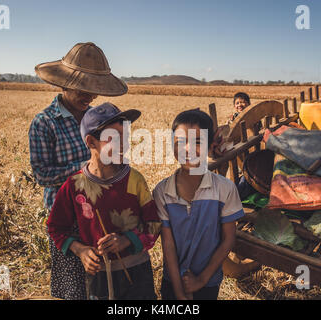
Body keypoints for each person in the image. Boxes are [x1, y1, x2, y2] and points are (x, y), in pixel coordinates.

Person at [28, 42, 128, 299]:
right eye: (82, 88)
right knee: (73, 288)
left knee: (103, 286)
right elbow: (42, 175)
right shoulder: (44, 122)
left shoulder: (96, 119)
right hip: (66, 219)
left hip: (99, 214)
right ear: (63, 83)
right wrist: (88, 168)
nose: (89, 96)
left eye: (93, 89)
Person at [47, 102, 162, 300]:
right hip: (98, 277)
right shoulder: (74, 186)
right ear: (91, 142)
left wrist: (127, 240)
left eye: (125, 137)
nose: (124, 145)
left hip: (137, 273)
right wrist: (81, 250)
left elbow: (154, 225)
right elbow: (55, 227)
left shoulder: (135, 180)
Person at [153, 109, 245, 300]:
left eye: (197, 142)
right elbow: (167, 245)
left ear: (210, 147)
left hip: (208, 281)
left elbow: (228, 239)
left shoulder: (225, 189)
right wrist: (179, 291)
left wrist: (201, 280)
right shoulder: (162, 192)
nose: (187, 149)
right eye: (180, 142)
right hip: (172, 281)